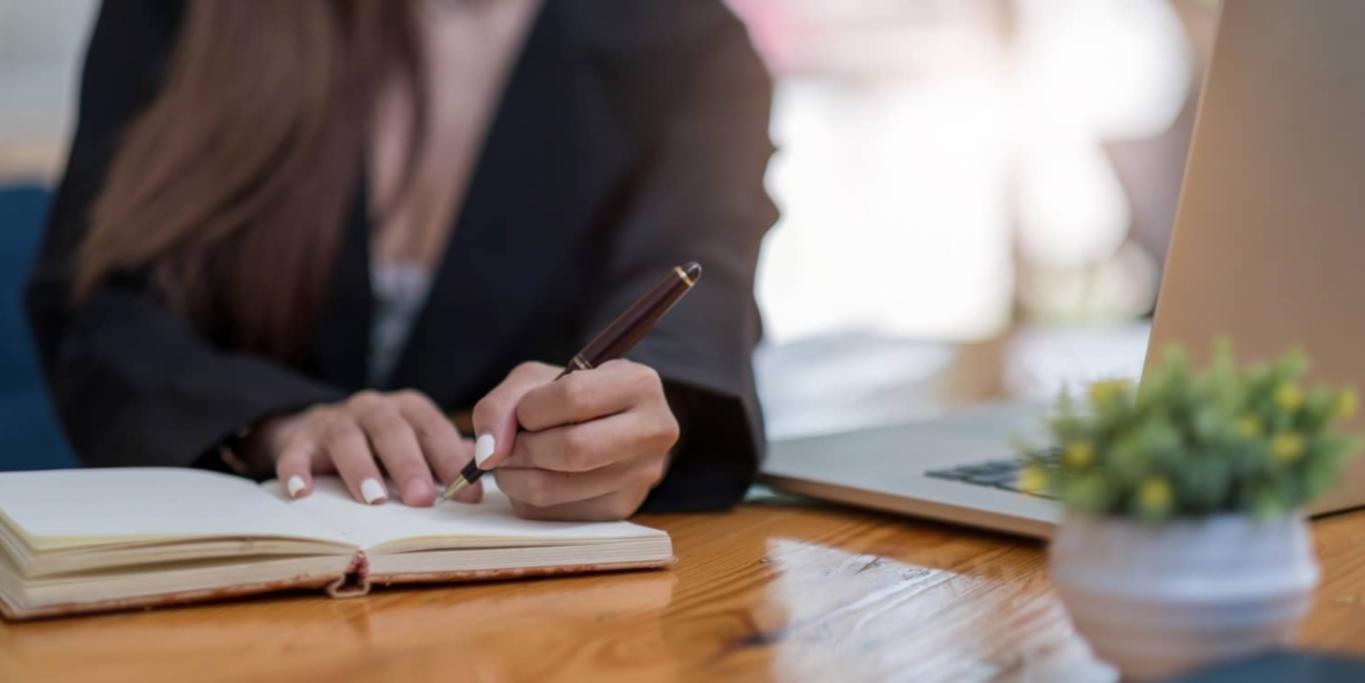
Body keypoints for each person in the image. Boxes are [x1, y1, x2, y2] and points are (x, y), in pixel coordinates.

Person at [25, 0, 777, 521]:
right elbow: (96, 310)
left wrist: (627, 428)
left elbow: (698, 300)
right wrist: (275, 423)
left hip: (521, 612)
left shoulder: (690, 48)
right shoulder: (184, 14)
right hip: (213, 581)